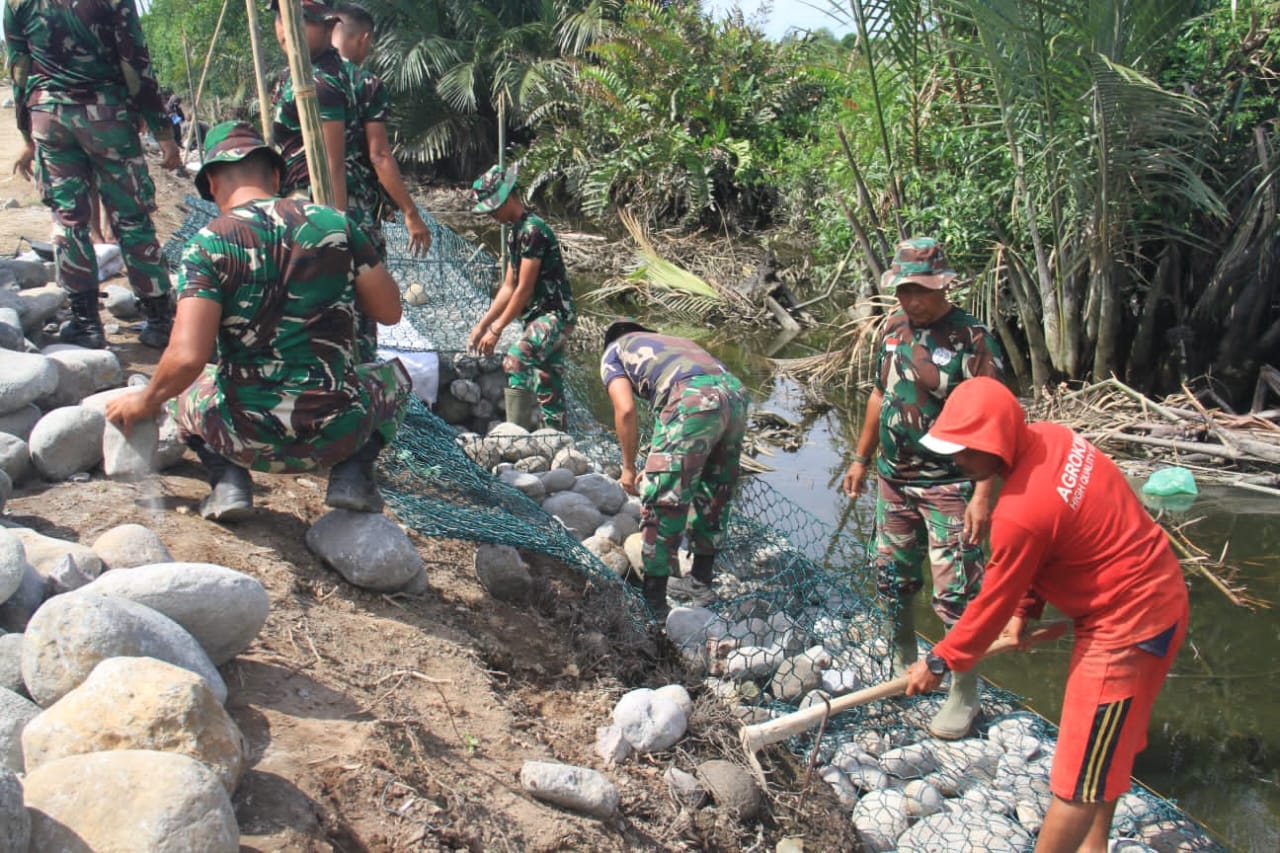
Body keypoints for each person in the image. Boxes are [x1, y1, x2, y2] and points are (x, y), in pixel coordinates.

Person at [904, 377, 1189, 853]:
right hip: (1158, 595)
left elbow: (990, 601)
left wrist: (940, 661)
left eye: (964, 450)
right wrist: (1026, 609)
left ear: (994, 443)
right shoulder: (1054, 438)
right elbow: (1054, 546)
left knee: (1078, 774)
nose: (955, 460)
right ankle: (1093, 849)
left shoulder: (1020, 514)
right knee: (1108, 750)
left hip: (1128, 628)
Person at [104, 122, 411, 522]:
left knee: (190, 385)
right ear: (277, 176)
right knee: (396, 379)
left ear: (212, 184)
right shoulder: (337, 225)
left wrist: (144, 402)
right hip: (335, 435)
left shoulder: (207, 245)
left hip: (242, 437)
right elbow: (390, 312)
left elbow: (185, 359)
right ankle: (352, 474)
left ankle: (228, 481)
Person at [841, 236, 1006, 739]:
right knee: (892, 574)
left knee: (957, 591)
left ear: (943, 286)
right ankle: (903, 656)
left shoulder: (972, 340)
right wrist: (860, 457)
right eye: (904, 290)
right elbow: (878, 393)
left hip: (950, 486)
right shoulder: (893, 330)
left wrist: (983, 492)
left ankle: (964, 691)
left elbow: (997, 420)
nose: (912, 300)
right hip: (895, 481)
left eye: (921, 290)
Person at [5, 0, 180, 349]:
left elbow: (18, 70)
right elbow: (135, 63)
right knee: (131, 216)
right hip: (107, 114)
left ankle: (86, 324)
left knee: (69, 220)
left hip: (49, 116)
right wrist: (163, 132)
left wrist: (27, 136)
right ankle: (159, 320)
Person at [601, 321, 749, 619]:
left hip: (693, 399)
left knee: (664, 497)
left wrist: (628, 469)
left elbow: (626, 410)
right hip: (736, 394)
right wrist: (658, 458)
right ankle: (700, 582)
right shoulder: (672, 341)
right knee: (715, 487)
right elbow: (670, 400)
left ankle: (654, 603)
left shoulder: (613, 352)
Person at [467, 165, 575, 430]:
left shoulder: (532, 231)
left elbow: (524, 289)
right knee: (547, 378)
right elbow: (508, 286)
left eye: (494, 208)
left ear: (508, 197)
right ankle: (556, 437)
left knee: (516, 359)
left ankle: (516, 434)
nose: (492, 215)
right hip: (536, 316)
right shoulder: (515, 233)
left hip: (555, 315)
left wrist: (497, 330)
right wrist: (482, 326)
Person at [331, 3, 432, 259]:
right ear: (364, 39)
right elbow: (379, 156)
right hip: (350, 205)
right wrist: (411, 213)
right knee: (368, 285)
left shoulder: (291, 80)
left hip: (295, 205)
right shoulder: (364, 83)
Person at [270, 0, 352, 212]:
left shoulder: (320, 84)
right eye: (280, 16)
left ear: (329, 26)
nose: (287, 26)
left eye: (302, 18)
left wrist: (337, 232)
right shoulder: (293, 75)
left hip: (313, 205)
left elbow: (332, 167)